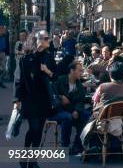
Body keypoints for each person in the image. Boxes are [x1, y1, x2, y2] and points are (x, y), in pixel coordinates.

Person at [14, 31, 56, 168]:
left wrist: (47, 71)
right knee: (34, 128)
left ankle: (33, 161)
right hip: (29, 98)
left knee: (38, 130)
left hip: (44, 99)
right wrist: (17, 101)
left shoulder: (49, 57)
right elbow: (19, 81)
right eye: (46, 38)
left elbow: (55, 76)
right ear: (37, 40)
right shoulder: (26, 59)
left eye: (48, 38)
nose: (48, 40)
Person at [52, 61, 89, 154]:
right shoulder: (60, 80)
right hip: (58, 110)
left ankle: (78, 144)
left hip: (72, 109)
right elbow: (52, 93)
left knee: (86, 115)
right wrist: (61, 97)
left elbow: (80, 100)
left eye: (82, 71)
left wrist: (76, 110)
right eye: (79, 71)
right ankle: (65, 146)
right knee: (67, 117)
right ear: (72, 71)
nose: (81, 73)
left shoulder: (79, 85)